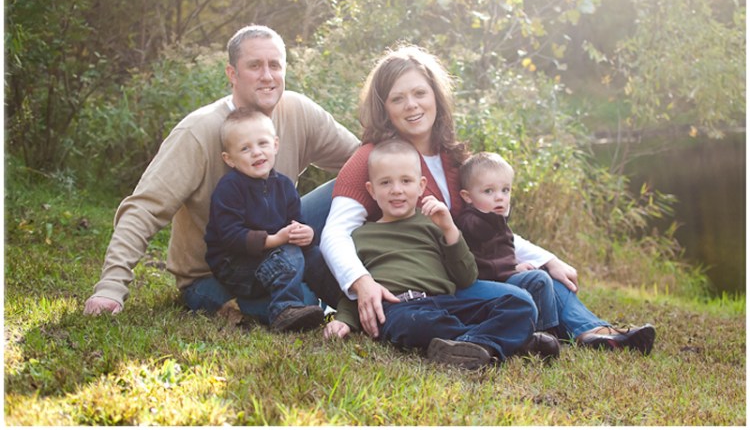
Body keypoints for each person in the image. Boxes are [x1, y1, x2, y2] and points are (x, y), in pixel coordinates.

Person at [321, 44, 655, 354]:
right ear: (384, 108)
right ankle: (518, 339)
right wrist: (361, 282)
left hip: (470, 268)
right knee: (518, 294)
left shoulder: (453, 159)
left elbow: (483, 225)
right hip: (435, 282)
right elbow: (335, 233)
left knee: (542, 276)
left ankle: (594, 333)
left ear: (436, 96)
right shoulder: (373, 158)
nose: (412, 105)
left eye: (420, 93)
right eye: (398, 98)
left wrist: (546, 258)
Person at [84, 24, 359, 321]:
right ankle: (305, 293)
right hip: (218, 271)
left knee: (360, 180)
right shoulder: (198, 131)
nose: (267, 76)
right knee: (305, 298)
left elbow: (365, 160)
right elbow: (144, 208)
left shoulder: (297, 111)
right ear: (232, 74)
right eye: (255, 66)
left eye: (275, 65)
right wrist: (110, 287)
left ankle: (375, 287)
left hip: (278, 245)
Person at [324, 139, 559, 369]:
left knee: (519, 303)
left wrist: (449, 230)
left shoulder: (434, 224)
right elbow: (356, 292)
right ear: (371, 190)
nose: (397, 190)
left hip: (446, 301)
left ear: (421, 186)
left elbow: (466, 277)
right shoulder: (361, 236)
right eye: (385, 183)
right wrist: (344, 320)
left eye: (406, 181)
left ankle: (472, 345)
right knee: (420, 324)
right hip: (399, 308)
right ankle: (504, 342)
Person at [456, 152, 656, 353]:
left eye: (505, 190)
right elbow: (480, 257)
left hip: (500, 277)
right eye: (488, 191)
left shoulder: (492, 218)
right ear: (467, 197)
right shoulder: (471, 221)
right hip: (481, 286)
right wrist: (510, 267)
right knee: (538, 279)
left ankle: (593, 333)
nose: (499, 197)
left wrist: (522, 265)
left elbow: (496, 253)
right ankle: (545, 335)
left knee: (548, 277)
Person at [204, 108, 324, 331]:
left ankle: (347, 306)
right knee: (290, 252)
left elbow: (296, 222)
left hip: (275, 258)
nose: (256, 152)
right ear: (229, 159)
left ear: (275, 145)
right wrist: (275, 240)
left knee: (315, 254)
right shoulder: (229, 188)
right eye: (245, 148)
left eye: (263, 143)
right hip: (237, 267)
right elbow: (231, 236)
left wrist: (306, 234)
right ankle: (284, 309)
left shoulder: (284, 185)